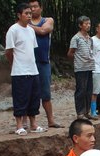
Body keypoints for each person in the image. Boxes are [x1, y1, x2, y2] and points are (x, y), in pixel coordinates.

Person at [5, 2, 45, 135]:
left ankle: (33, 124)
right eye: (26, 13)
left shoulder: (31, 30)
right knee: (20, 98)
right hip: (19, 71)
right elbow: (9, 51)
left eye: (30, 13)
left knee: (34, 97)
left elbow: (31, 50)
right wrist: (14, 63)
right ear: (19, 15)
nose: (29, 16)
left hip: (33, 69)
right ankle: (19, 126)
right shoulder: (13, 30)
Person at [28, 0, 62, 128]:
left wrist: (26, 25)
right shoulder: (24, 24)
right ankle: (30, 123)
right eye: (30, 7)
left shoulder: (48, 20)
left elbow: (43, 31)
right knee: (29, 92)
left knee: (46, 93)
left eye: (35, 6)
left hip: (43, 61)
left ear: (41, 8)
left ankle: (51, 120)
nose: (33, 9)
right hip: (28, 62)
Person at [68, 15, 96, 120]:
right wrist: (77, 62)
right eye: (86, 24)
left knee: (89, 90)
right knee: (81, 90)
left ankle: (87, 112)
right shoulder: (76, 38)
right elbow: (70, 53)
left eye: (89, 23)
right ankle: (80, 112)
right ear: (80, 25)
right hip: (80, 68)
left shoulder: (90, 39)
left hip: (89, 67)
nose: (88, 26)